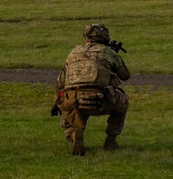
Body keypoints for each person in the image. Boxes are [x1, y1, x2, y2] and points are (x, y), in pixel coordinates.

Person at [54, 23, 130, 156]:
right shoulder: (108, 53)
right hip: (99, 101)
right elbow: (125, 75)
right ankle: (111, 140)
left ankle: (74, 135)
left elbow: (60, 82)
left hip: (74, 102)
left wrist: (56, 102)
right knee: (123, 100)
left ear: (87, 37)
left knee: (68, 106)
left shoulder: (73, 53)